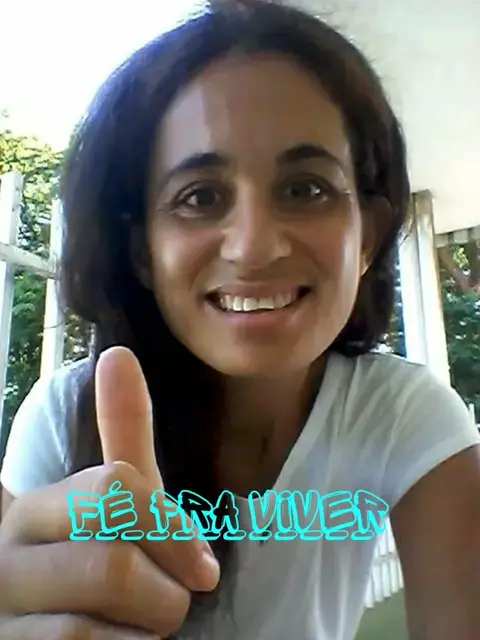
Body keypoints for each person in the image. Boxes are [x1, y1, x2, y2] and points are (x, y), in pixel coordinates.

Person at [1, 0, 479, 638]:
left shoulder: (404, 416)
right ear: (143, 252)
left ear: (366, 237)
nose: (254, 248)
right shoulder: (62, 419)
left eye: (305, 189)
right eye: (200, 197)